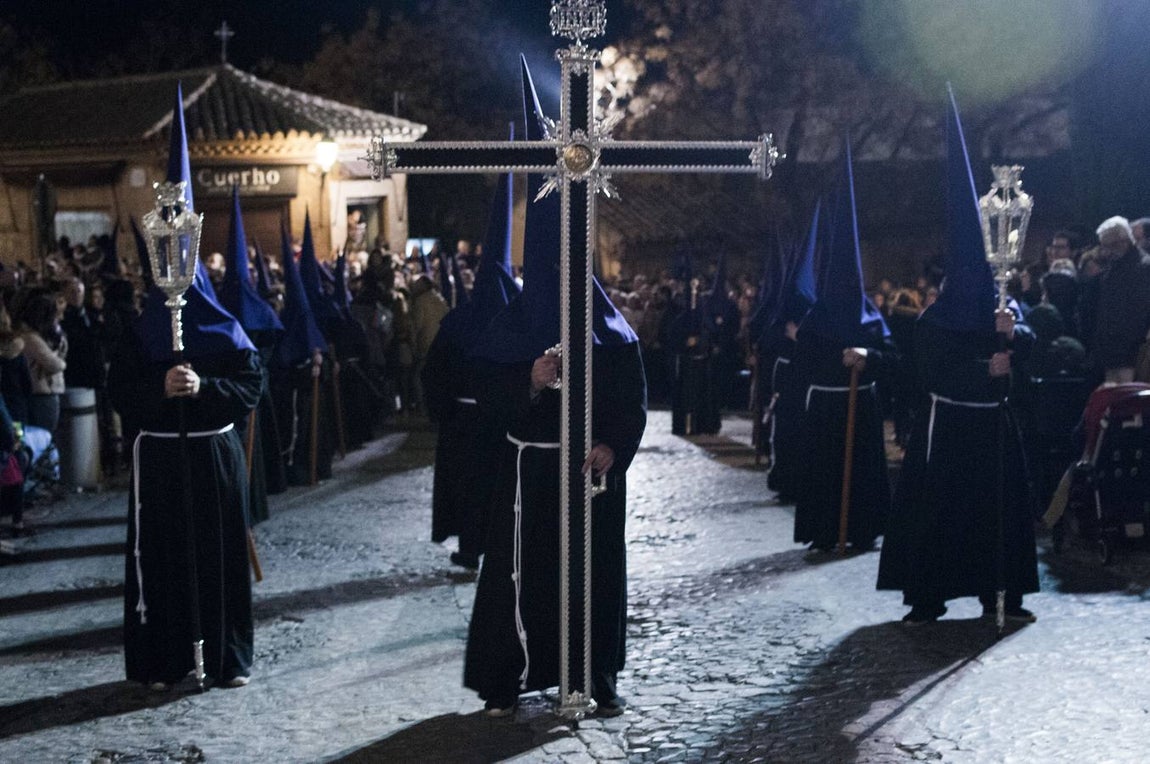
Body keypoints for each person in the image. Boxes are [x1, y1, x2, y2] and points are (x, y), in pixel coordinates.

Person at [463, 59, 647, 718]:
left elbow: (631, 401)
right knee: (522, 576)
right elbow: (484, 394)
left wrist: (614, 446)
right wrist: (528, 380)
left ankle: (597, 675)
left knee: (592, 578)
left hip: (589, 476)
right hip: (530, 476)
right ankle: (507, 678)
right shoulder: (511, 325)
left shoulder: (610, 328)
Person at [111, 85, 260, 689]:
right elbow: (121, 390)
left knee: (220, 560)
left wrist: (203, 385)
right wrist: (160, 388)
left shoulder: (224, 326)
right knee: (164, 561)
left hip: (212, 455)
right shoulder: (139, 327)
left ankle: (226, 659)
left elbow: (250, 386)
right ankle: (164, 659)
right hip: (160, 462)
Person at [877, 89, 1039, 625]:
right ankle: (930, 595)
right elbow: (930, 372)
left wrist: (1014, 336)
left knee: (999, 511)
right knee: (941, 512)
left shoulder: (1003, 306)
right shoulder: (935, 319)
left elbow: (1030, 343)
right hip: (947, 429)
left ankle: (1003, 590)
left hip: (994, 425)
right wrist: (982, 369)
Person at [791, 142, 895, 552]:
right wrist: (834, 359)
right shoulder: (815, 319)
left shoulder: (871, 315)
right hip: (825, 407)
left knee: (861, 469)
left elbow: (893, 359)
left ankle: (862, 527)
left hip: (861, 404)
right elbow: (802, 362)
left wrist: (868, 356)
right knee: (825, 469)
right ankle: (823, 529)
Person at [422, 166, 520, 569]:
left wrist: (443, 412)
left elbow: (432, 373)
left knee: (469, 486)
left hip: (466, 423)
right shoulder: (517, 326)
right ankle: (495, 549)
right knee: (496, 487)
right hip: (499, 422)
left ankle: (470, 548)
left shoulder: (458, 323)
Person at [1078, 216, 1150, 383]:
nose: (1105, 251)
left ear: (1124, 241)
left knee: (1126, 395)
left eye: (1109, 245)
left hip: (1130, 352)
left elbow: (1138, 313)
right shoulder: (1113, 268)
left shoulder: (1144, 268)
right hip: (1112, 349)